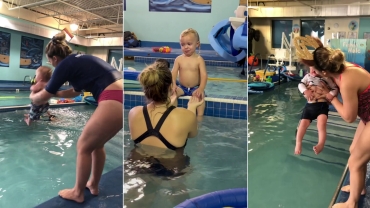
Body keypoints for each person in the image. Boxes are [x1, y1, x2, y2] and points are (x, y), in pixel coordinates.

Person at [29, 32, 123, 203]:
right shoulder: (80, 59)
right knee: (96, 144)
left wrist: (33, 97)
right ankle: (93, 184)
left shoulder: (64, 65)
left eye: (50, 60)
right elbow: (74, 92)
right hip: (121, 95)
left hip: (112, 97)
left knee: (83, 145)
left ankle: (78, 192)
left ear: (55, 58)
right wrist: (54, 92)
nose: (50, 64)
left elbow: (42, 97)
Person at [294, 35, 370, 208]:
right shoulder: (342, 69)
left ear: (325, 71)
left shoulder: (347, 80)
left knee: (355, 161)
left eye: (315, 70)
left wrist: (329, 97)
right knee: (354, 151)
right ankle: (360, 188)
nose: (313, 73)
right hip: (367, 116)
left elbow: (349, 118)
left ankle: (352, 203)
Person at [129, 61, 204, 150]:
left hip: (138, 161)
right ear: (170, 86)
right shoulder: (186, 116)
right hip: (171, 163)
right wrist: (191, 108)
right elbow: (192, 134)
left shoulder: (134, 112)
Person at [295, 66, 338, 155]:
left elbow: (335, 88)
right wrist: (305, 91)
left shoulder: (326, 78)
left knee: (321, 124)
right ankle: (298, 143)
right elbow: (300, 84)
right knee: (302, 124)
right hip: (309, 106)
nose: (313, 70)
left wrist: (331, 93)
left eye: (316, 68)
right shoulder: (307, 77)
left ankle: (321, 144)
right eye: (312, 68)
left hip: (322, 105)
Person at [171, 28, 208, 116]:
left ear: (197, 44)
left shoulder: (199, 60)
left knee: (200, 97)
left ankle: (199, 117)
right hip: (182, 87)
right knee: (172, 94)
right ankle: (172, 114)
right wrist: (173, 85)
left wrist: (201, 88)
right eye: (183, 44)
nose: (186, 47)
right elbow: (173, 73)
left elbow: (204, 75)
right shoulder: (179, 59)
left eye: (189, 44)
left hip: (195, 88)